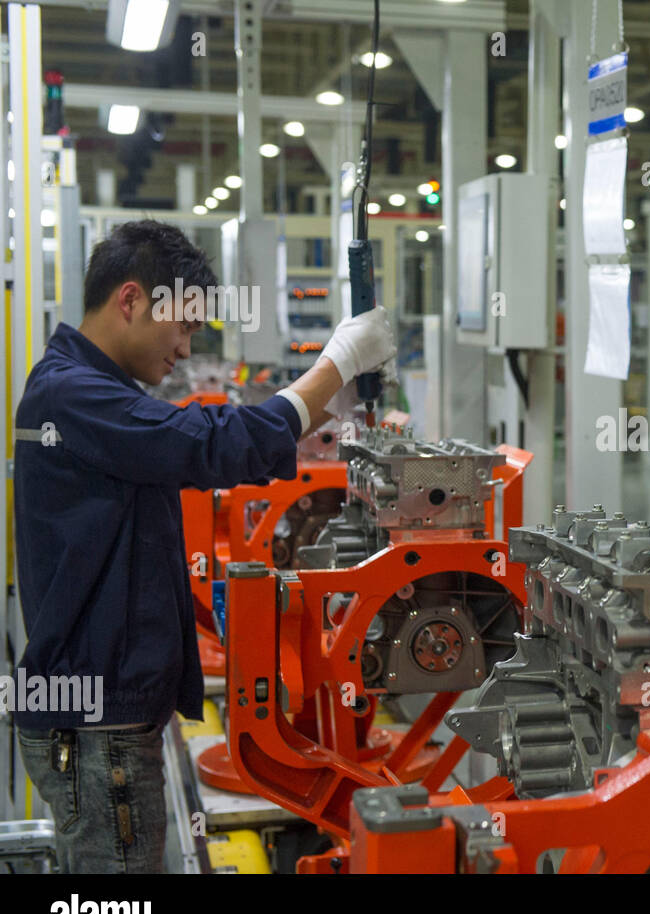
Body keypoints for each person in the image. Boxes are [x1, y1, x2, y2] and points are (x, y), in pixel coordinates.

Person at [12, 219, 395, 872]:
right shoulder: (71, 395)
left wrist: (302, 438)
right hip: (97, 734)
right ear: (131, 300)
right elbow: (207, 442)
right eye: (184, 326)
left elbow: (186, 455)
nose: (187, 350)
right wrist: (338, 363)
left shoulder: (84, 391)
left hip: (102, 723)